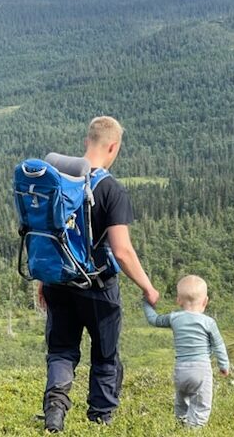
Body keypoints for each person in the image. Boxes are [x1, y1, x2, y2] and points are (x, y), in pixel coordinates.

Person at [40, 116, 160, 432]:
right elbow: (122, 251)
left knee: (61, 350)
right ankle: (100, 419)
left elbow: (50, 234)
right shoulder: (110, 189)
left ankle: (55, 411)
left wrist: (43, 279)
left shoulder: (58, 180)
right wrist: (147, 287)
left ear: (86, 141)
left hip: (58, 280)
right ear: (113, 147)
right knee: (105, 354)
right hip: (98, 286)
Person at [142, 274, 230, 428]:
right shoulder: (209, 322)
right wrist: (224, 365)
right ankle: (194, 429)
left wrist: (146, 302)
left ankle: (181, 422)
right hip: (201, 370)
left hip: (181, 370)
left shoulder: (174, 318)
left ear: (178, 300)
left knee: (182, 399)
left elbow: (153, 319)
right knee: (201, 403)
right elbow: (219, 345)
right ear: (205, 301)